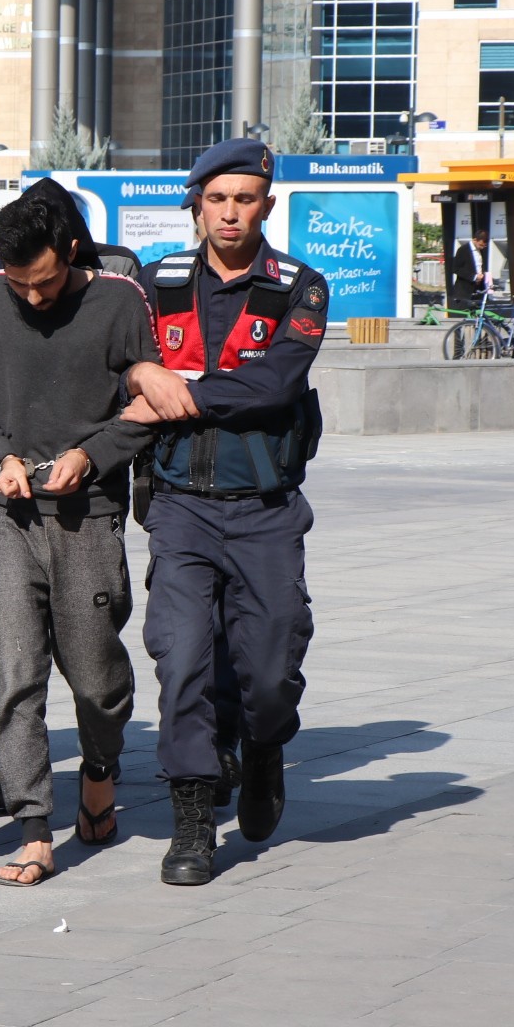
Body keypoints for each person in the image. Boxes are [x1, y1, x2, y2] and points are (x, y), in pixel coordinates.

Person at [122, 139, 328, 887]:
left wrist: (183, 393)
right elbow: (120, 364)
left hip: (266, 509)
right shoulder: (154, 283)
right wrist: (144, 370)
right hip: (179, 506)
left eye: (246, 199)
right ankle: (193, 820)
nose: (231, 212)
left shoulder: (300, 287)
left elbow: (273, 384)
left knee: (269, 672)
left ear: (266, 206)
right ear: (197, 204)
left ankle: (266, 746)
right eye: (218, 198)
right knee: (181, 661)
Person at [0, 189, 155, 886]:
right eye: (18, 285)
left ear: (69, 252)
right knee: (14, 676)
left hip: (90, 516)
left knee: (97, 677)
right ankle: (35, 827)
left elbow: (148, 407)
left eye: (42, 283)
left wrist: (93, 456)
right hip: (6, 515)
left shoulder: (121, 302)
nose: (31, 299)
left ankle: (100, 771)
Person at [448, 228, 490, 314]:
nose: (482, 247)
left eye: (484, 246)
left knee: (477, 316)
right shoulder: (463, 250)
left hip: (478, 290)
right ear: (475, 240)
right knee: (463, 316)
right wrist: (474, 277)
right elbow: (456, 269)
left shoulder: (481, 251)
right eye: (481, 245)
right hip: (464, 291)